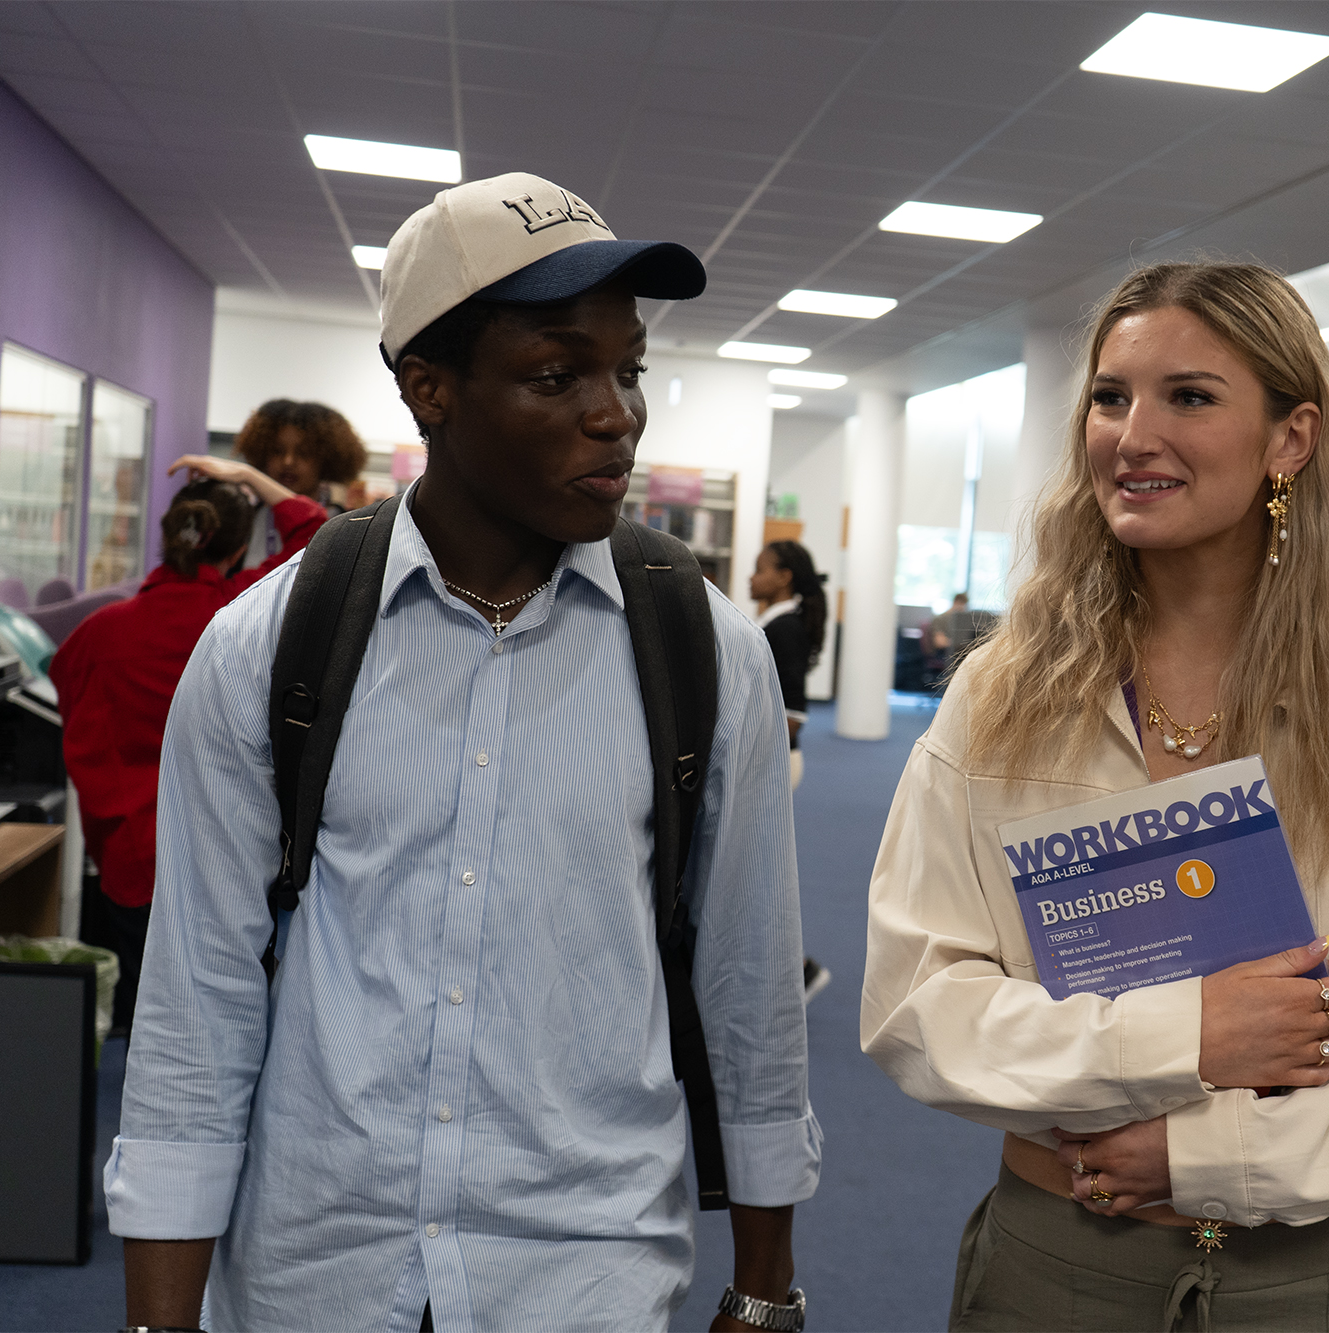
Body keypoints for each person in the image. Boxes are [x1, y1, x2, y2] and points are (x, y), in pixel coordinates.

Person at [107, 173, 817, 1333]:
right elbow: (198, 1004)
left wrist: (764, 1285)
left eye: (626, 368)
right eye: (556, 374)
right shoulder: (267, 645)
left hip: (585, 1267)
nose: (615, 412)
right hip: (317, 1259)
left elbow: (748, 988)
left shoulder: (700, 646)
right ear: (427, 389)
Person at [861, 261, 1329, 1330]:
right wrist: (1182, 1037)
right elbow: (918, 1006)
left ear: (1290, 438)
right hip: (1061, 1268)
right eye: (1108, 396)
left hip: (1323, 1282)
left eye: (1188, 396)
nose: (1132, 434)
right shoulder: (1000, 698)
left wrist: (1209, 1152)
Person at [52, 463, 326, 1033]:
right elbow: (315, 534)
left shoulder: (100, 633)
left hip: (133, 860)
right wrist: (249, 474)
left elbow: (73, 711)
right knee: (236, 1016)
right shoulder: (246, 612)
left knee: (147, 1020)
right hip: (236, 854)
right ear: (235, 546)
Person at [749, 539, 831, 1002]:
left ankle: (798, 969)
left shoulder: (785, 629)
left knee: (755, 871)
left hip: (774, 760)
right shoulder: (771, 621)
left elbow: (793, 715)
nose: (750, 577)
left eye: (760, 569)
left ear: (783, 577)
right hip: (768, 759)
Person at [230, 398, 370, 555]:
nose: (288, 462)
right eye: (277, 451)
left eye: (303, 453)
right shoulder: (243, 523)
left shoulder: (346, 525)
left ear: (325, 459)